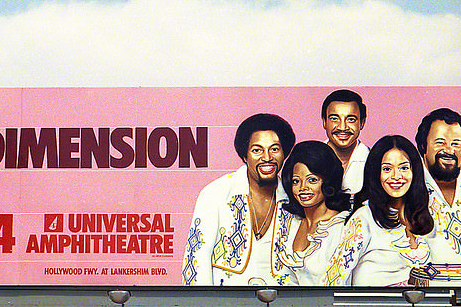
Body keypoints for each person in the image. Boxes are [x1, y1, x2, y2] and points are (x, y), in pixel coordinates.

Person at [182, 113, 295, 286]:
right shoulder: (216, 193)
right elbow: (196, 259)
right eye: (257, 150)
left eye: (274, 149)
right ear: (244, 155)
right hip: (226, 305)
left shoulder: (293, 196)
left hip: (280, 306)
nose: (267, 157)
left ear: (284, 154)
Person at [324, 135, 434, 286]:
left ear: (415, 171)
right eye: (387, 169)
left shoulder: (421, 217)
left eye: (403, 167)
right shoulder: (364, 218)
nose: (396, 176)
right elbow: (332, 280)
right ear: (376, 173)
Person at [274, 141, 351, 285]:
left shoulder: (342, 228)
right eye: (296, 181)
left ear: (327, 182)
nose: (303, 187)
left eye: (312, 180)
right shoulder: (290, 224)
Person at [410, 108, 461, 284]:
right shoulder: (405, 185)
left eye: (456, 143)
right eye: (440, 142)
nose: (449, 150)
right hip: (423, 299)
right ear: (423, 146)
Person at [321, 89, 369, 194]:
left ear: (362, 123)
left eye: (351, 119)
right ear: (324, 122)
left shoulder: (374, 160)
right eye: (334, 118)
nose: (342, 127)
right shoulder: (308, 158)